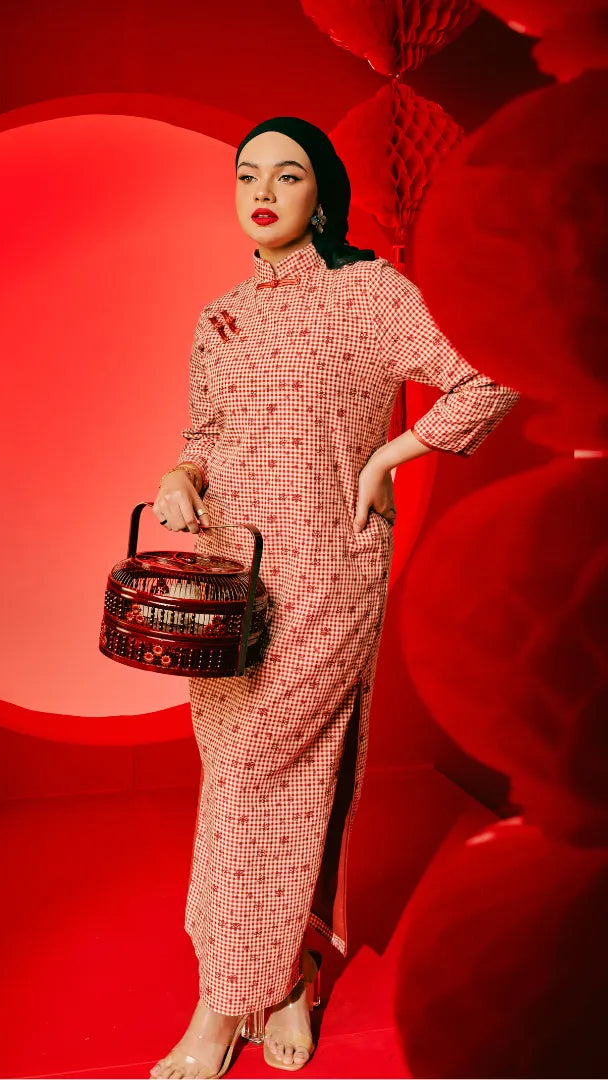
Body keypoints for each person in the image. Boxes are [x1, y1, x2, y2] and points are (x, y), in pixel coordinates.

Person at [150, 116, 520, 1080]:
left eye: (289, 174)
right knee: (285, 770)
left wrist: (394, 455)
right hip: (225, 586)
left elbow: (487, 370)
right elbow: (201, 428)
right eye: (247, 175)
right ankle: (292, 971)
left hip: (326, 570)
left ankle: (222, 998)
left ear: (325, 195)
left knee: (257, 779)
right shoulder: (219, 314)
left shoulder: (368, 295)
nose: (262, 190)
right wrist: (183, 476)